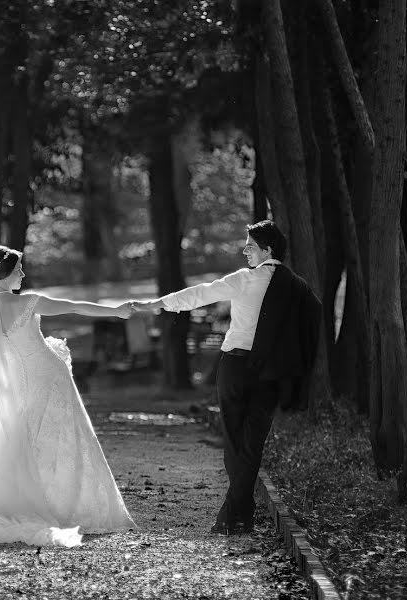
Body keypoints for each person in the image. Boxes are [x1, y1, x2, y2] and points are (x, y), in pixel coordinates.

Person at [0, 245, 137, 548]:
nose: (23, 274)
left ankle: (39, 501)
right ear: (5, 274)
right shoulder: (28, 302)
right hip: (49, 380)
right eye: (19, 270)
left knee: (29, 442)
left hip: (20, 385)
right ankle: (68, 505)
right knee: (60, 442)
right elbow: (75, 306)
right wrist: (116, 311)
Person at [131, 220, 320, 535]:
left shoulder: (245, 280)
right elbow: (309, 323)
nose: (245, 250)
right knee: (253, 443)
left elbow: (201, 294)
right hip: (270, 373)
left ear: (267, 249)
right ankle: (240, 515)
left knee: (233, 439)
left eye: (250, 245)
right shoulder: (298, 287)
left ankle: (233, 515)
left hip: (235, 366)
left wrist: (159, 305)